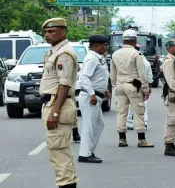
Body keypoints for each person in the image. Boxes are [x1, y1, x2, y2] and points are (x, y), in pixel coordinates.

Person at [39, 18, 79, 188]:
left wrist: (55, 112)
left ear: (63, 32)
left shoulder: (64, 54)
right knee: (57, 152)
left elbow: (65, 85)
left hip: (58, 106)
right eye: (46, 32)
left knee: (59, 152)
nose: (47, 35)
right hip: (52, 104)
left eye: (52, 31)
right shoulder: (54, 52)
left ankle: (67, 184)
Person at [110, 29, 154, 148]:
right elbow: (142, 74)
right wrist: (145, 89)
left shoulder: (115, 54)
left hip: (120, 85)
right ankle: (141, 139)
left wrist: (115, 86)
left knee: (121, 113)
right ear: (135, 40)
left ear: (123, 40)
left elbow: (112, 74)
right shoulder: (136, 54)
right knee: (138, 112)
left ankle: (122, 139)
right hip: (134, 84)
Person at [78, 35, 111, 163]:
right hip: (89, 97)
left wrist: (104, 90)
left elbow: (98, 77)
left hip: (97, 95)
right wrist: (91, 93)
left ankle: (89, 150)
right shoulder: (91, 59)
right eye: (104, 45)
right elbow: (84, 78)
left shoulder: (99, 58)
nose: (106, 47)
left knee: (99, 124)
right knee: (88, 126)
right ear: (97, 46)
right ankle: (84, 154)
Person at [127, 46, 153, 130]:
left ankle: (129, 122)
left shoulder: (128, 60)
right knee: (143, 104)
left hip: (130, 84)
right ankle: (144, 122)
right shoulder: (146, 61)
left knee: (130, 103)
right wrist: (149, 88)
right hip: (143, 85)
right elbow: (149, 76)